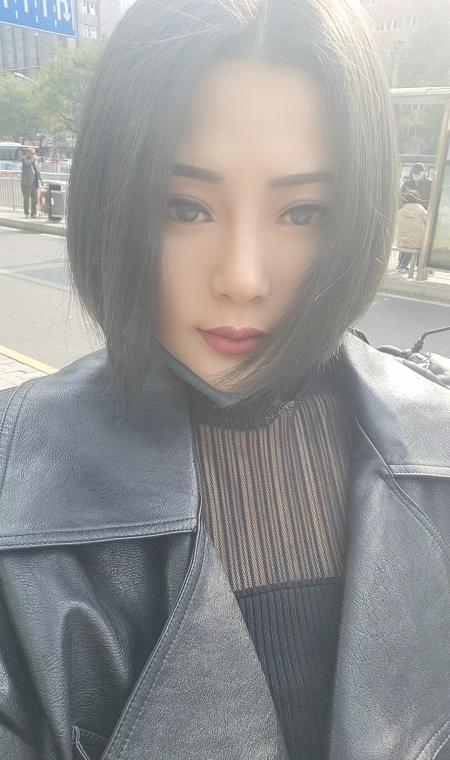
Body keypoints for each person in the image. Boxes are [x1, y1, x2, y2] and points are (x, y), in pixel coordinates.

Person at [0, 2, 449, 760]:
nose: (242, 278)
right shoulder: (15, 482)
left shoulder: (438, 452)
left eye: (303, 212)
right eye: (185, 207)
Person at [396, 188, 427, 272]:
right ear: (417, 198)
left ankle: (401, 264)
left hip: (402, 239)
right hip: (416, 240)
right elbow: (428, 220)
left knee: (406, 245)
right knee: (422, 244)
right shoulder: (421, 209)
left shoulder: (401, 210)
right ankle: (414, 265)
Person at [20, 146, 41, 218]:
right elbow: (26, 164)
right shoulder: (24, 158)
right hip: (26, 183)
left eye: (34, 153)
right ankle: (26, 213)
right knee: (26, 199)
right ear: (28, 153)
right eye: (32, 153)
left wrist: (40, 179)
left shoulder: (35, 161)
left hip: (34, 183)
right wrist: (33, 159)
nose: (33, 154)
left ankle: (33, 213)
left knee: (35, 199)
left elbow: (37, 171)